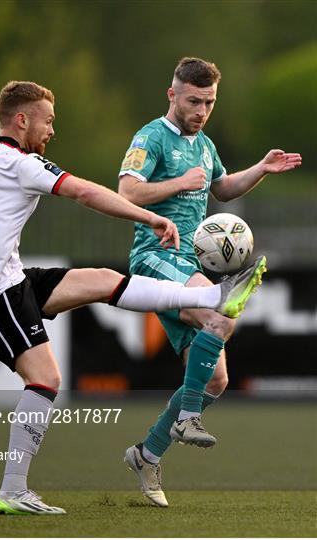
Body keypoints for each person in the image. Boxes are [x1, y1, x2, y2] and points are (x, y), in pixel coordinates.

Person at [0, 80, 265, 515]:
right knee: (46, 380)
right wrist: (149, 217)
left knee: (102, 279)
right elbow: (87, 192)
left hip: (9, 278)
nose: (51, 131)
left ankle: (213, 295)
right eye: (48, 122)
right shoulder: (22, 164)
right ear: (22, 120)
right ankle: (12, 490)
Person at [118, 57, 302, 507]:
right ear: (172, 94)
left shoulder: (205, 143)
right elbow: (126, 192)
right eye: (194, 101)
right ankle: (187, 417)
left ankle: (147, 454)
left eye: (210, 102)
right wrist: (180, 182)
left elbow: (220, 188)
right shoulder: (150, 137)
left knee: (216, 379)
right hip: (156, 257)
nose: (202, 110)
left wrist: (260, 168)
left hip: (187, 263)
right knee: (222, 311)